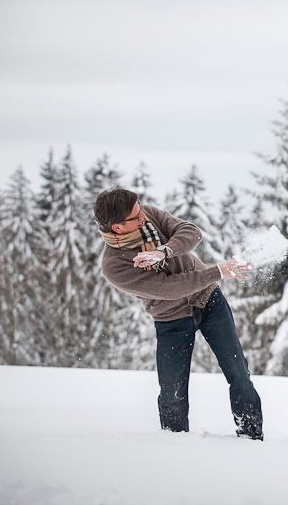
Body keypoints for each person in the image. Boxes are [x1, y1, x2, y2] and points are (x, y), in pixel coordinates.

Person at [93, 188, 263, 440]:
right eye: (135, 218)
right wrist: (218, 271)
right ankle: (175, 445)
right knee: (172, 391)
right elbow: (171, 288)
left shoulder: (147, 214)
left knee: (239, 372)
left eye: (140, 211)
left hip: (209, 301)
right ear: (117, 228)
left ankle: (251, 438)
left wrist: (164, 251)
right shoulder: (115, 265)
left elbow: (191, 233)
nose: (143, 218)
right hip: (171, 319)